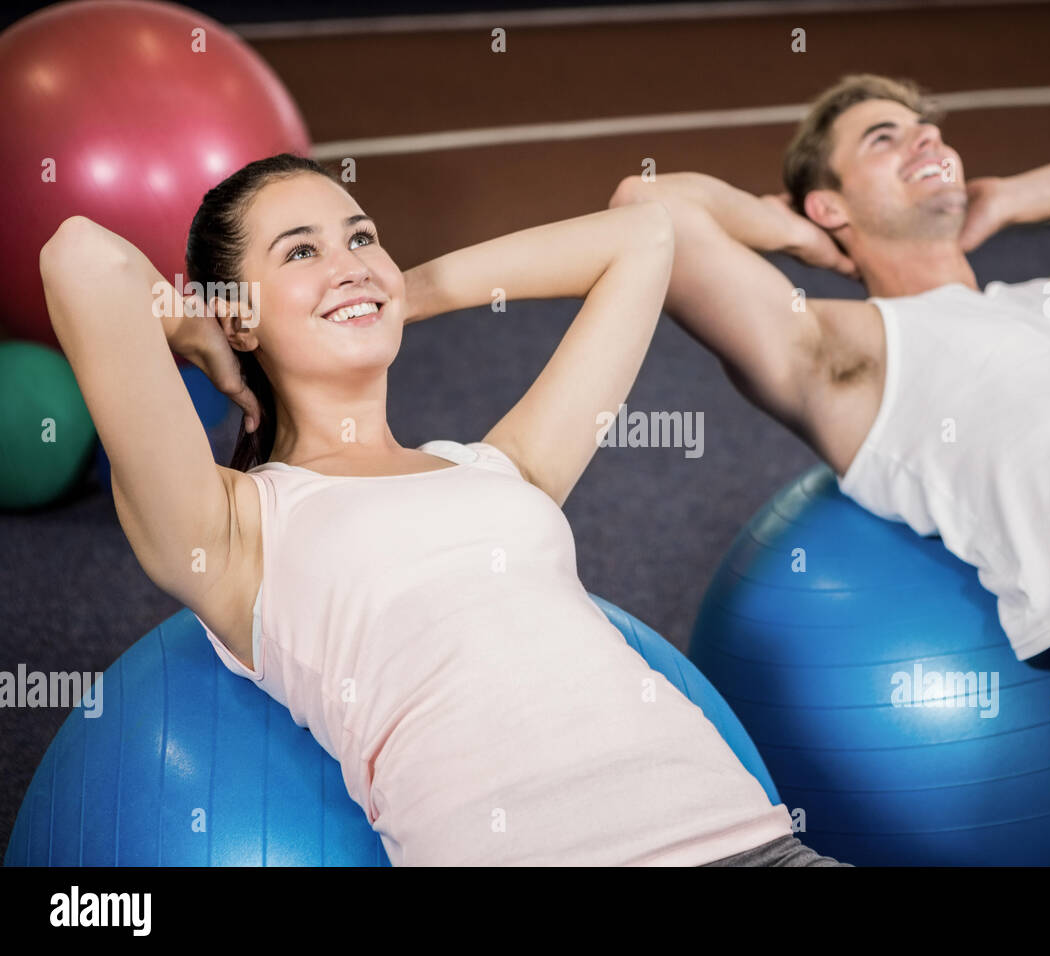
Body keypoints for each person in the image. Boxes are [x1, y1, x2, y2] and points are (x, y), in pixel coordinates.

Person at [39, 153, 849, 867]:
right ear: (241, 311)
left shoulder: (504, 469)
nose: (350, 261)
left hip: (753, 843)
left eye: (361, 238)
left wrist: (397, 292)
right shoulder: (233, 529)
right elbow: (81, 257)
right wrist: (194, 323)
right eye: (301, 252)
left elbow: (645, 238)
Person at [608, 73, 1050, 867]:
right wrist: (792, 233)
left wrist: (1009, 198)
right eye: (884, 138)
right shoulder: (844, 350)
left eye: (929, 130)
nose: (927, 141)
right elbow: (646, 206)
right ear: (829, 205)